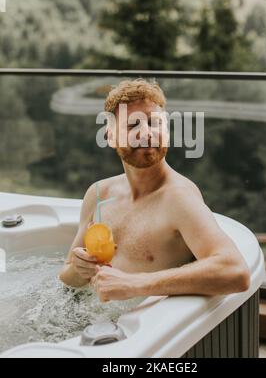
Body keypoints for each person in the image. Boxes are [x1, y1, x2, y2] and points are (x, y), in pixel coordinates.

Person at [59, 79, 250, 301]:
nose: (146, 133)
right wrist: (80, 269)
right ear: (110, 136)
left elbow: (236, 272)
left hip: (141, 328)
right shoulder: (99, 194)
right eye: (133, 125)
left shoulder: (178, 198)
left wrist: (135, 284)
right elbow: (66, 276)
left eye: (154, 123)